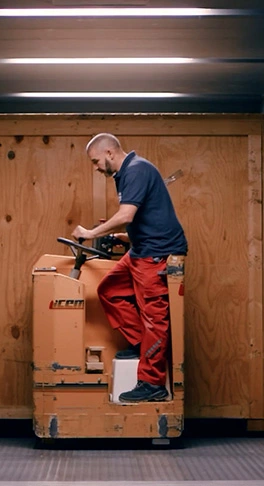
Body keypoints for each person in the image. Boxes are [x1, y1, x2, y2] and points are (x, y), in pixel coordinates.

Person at [71, 133, 188, 403]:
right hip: (141, 249)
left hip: (157, 254)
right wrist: (126, 237)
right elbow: (148, 214)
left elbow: (126, 215)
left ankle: (152, 384)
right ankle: (140, 345)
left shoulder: (136, 170)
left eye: (96, 161)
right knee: (109, 290)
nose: (96, 167)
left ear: (110, 153)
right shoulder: (125, 174)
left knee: (153, 319)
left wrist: (90, 233)